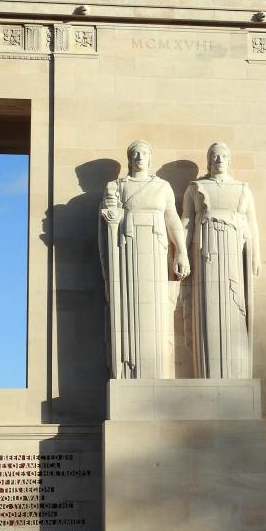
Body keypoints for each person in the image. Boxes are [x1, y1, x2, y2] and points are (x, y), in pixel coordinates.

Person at [100, 140, 189, 379]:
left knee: (157, 307)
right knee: (130, 303)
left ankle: (156, 369)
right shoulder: (118, 186)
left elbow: (172, 218)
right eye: (135, 153)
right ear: (129, 159)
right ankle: (130, 367)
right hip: (128, 249)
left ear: (151, 158)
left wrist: (181, 251)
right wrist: (109, 210)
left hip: (156, 249)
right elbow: (109, 220)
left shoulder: (162, 186)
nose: (139, 156)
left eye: (144, 153)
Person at [182, 142, 260, 378]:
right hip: (206, 253)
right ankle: (208, 371)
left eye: (223, 156)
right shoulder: (196, 188)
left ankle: (236, 371)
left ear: (229, 160)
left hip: (234, 251)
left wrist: (256, 255)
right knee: (208, 306)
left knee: (235, 307)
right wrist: (181, 253)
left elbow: (252, 224)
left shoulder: (243, 189)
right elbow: (187, 221)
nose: (219, 160)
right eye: (214, 156)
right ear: (208, 161)